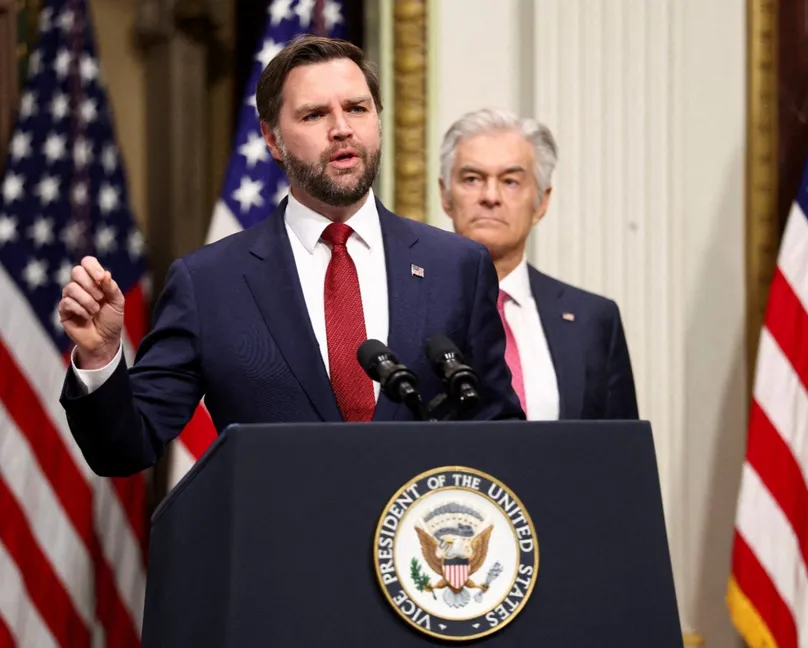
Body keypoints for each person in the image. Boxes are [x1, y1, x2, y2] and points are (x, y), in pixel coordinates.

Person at [58, 37, 523, 478]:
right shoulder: (209, 283)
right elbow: (126, 448)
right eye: (315, 114)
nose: (342, 129)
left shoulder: (457, 267)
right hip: (278, 533)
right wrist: (100, 356)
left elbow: (501, 437)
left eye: (357, 109)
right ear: (272, 139)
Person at [439, 108, 638, 421]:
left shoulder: (593, 320)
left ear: (542, 201)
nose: (490, 196)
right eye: (472, 179)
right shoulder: (412, 307)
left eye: (510, 181)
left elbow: (620, 446)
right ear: (446, 196)